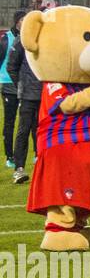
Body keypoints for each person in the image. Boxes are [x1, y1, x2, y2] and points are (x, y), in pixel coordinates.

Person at [5, 12, 39, 184]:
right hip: (27, 95)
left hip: (46, 95)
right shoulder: (22, 42)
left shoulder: (47, 41)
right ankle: (19, 169)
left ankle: (44, 168)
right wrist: (20, 84)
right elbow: (11, 66)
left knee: (44, 131)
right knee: (23, 131)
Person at [1, 11, 21, 172]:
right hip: (8, 85)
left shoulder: (27, 37)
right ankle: (9, 156)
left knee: (28, 122)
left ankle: (35, 153)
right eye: (22, 20)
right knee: (10, 121)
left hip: (23, 85)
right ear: (16, 22)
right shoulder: (6, 39)